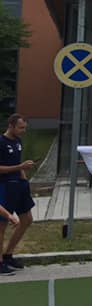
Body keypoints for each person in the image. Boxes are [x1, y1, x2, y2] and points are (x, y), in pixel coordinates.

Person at [0, 115, 34, 275]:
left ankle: (8, 254)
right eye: (21, 128)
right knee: (2, 225)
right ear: (11, 126)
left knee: (27, 219)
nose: (23, 131)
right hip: (5, 186)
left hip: (19, 185)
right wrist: (19, 167)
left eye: (25, 127)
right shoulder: (1, 142)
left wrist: (24, 177)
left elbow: (18, 163)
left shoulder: (18, 141)